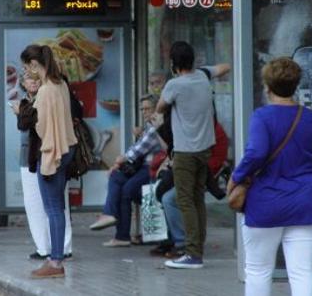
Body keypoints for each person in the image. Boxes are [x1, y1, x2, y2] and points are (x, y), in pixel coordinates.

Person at [228, 57, 312, 296]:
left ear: (267, 87)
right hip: (305, 200)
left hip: (266, 202)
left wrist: (236, 177)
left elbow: (256, 153)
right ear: (295, 85)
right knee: (302, 272)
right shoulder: (310, 117)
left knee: (259, 270)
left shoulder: (262, 116)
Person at [156, 41, 230, 269]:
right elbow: (225, 67)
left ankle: (192, 253)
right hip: (205, 150)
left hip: (186, 152)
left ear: (174, 64)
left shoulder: (174, 85)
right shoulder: (204, 76)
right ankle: (198, 246)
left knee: (184, 200)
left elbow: (159, 108)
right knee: (197, 199)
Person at [20, 45, 77, 279]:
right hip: (67, 147)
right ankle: (56, 258)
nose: (27, 72)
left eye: (27, 67)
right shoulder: (61, 84)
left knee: (52, 209)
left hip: (52, 151)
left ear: (35, 65)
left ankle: (55, 262)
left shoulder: (45, 91)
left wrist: (21, 112)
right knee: (58, 209)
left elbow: (41, 127)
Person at [89, 94, 164, 247]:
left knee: (126, 190)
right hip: (142, 166)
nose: (144, 112)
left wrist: (120, 160)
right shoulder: (149, 126)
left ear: (156, 108)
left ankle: (119, 231)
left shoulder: (157, 125)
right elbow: (137, 149)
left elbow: (137, 151)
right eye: (142, 109)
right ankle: (110, 217)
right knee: (116, 176)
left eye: (147, 108)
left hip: (153, 168)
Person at [13, 74, 73, 260]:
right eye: (28, 79)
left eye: (35, 78)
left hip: (50, 155)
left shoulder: (50, 96)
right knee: (33, 203)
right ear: (22, 83)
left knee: (56, 202)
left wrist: (21, 114)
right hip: (28, 157)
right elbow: (23, 128)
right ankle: (43, 247)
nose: (32, 81)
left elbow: (32, 124)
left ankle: (64, 247)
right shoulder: (24, 101)